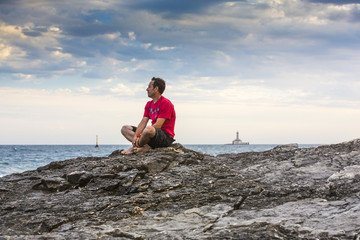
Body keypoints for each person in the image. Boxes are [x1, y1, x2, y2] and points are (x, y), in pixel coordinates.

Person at [121, 77, 176, 154]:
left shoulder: (166, 103)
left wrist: (140, 136)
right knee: (125, 129)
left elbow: (158, 125)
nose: (147, 89)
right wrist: (135, 136)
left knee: (149, 129)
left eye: (149, 87)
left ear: (156, 89)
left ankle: (136, 147)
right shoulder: (149, 104)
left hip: (165, 137)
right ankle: (145, 146)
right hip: (151, 135)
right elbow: (143, 122)